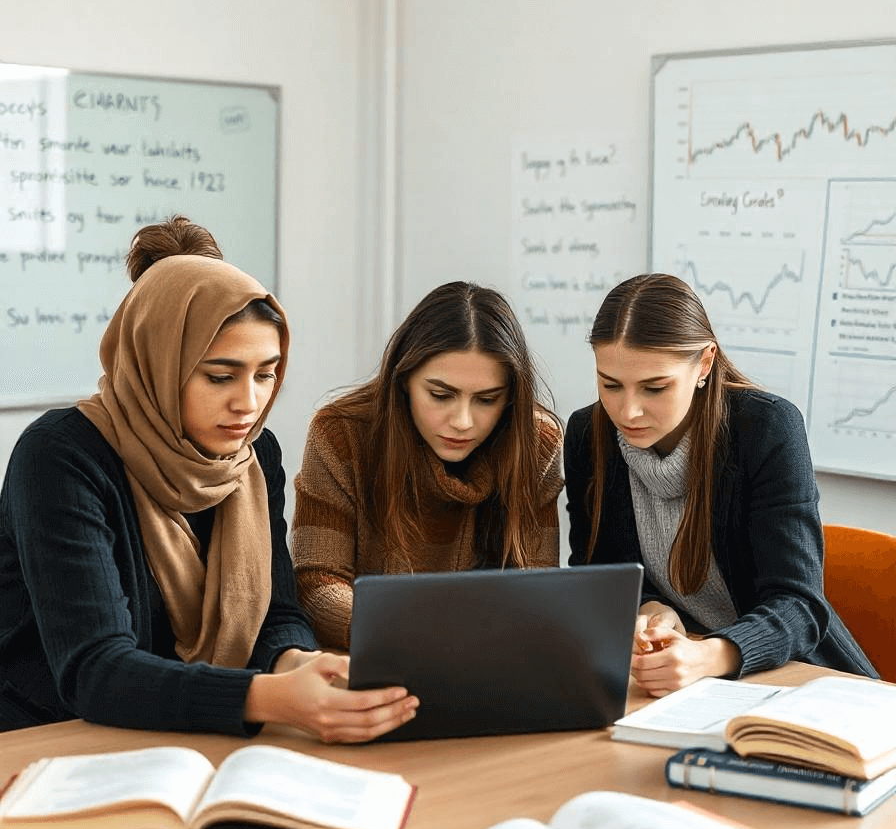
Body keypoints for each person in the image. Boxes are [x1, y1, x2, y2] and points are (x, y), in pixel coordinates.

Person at [0, 216, 417, 741]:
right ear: (158, 363)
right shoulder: (60, 455)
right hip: (54, 741)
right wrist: (269, 698)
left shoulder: (254, 454)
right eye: (220, 376)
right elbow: (96, 671)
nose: (249, 403)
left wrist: (295, 665)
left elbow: (277, 612)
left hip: (195, 734)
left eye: (266, 374)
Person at [564, 272, 876, 696]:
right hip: (684, 688)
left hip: (801, 680)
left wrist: (710, 656)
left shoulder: (766, 429)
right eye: (610, 384)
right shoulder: (588, 434)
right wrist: (652, 608)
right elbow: (596, 577)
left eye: (655, 387)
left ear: (704, 363)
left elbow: (800, 606)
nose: (628, 411)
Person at [291, 281, 564, 649]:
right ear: (403, 380)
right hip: (377, 657)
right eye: (440, 395)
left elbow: (536, 585)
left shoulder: (535, 443)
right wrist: (414, 631)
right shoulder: (340, 435)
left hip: (489, 661)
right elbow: (317, 582)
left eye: (486, 400)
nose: (463, 421)